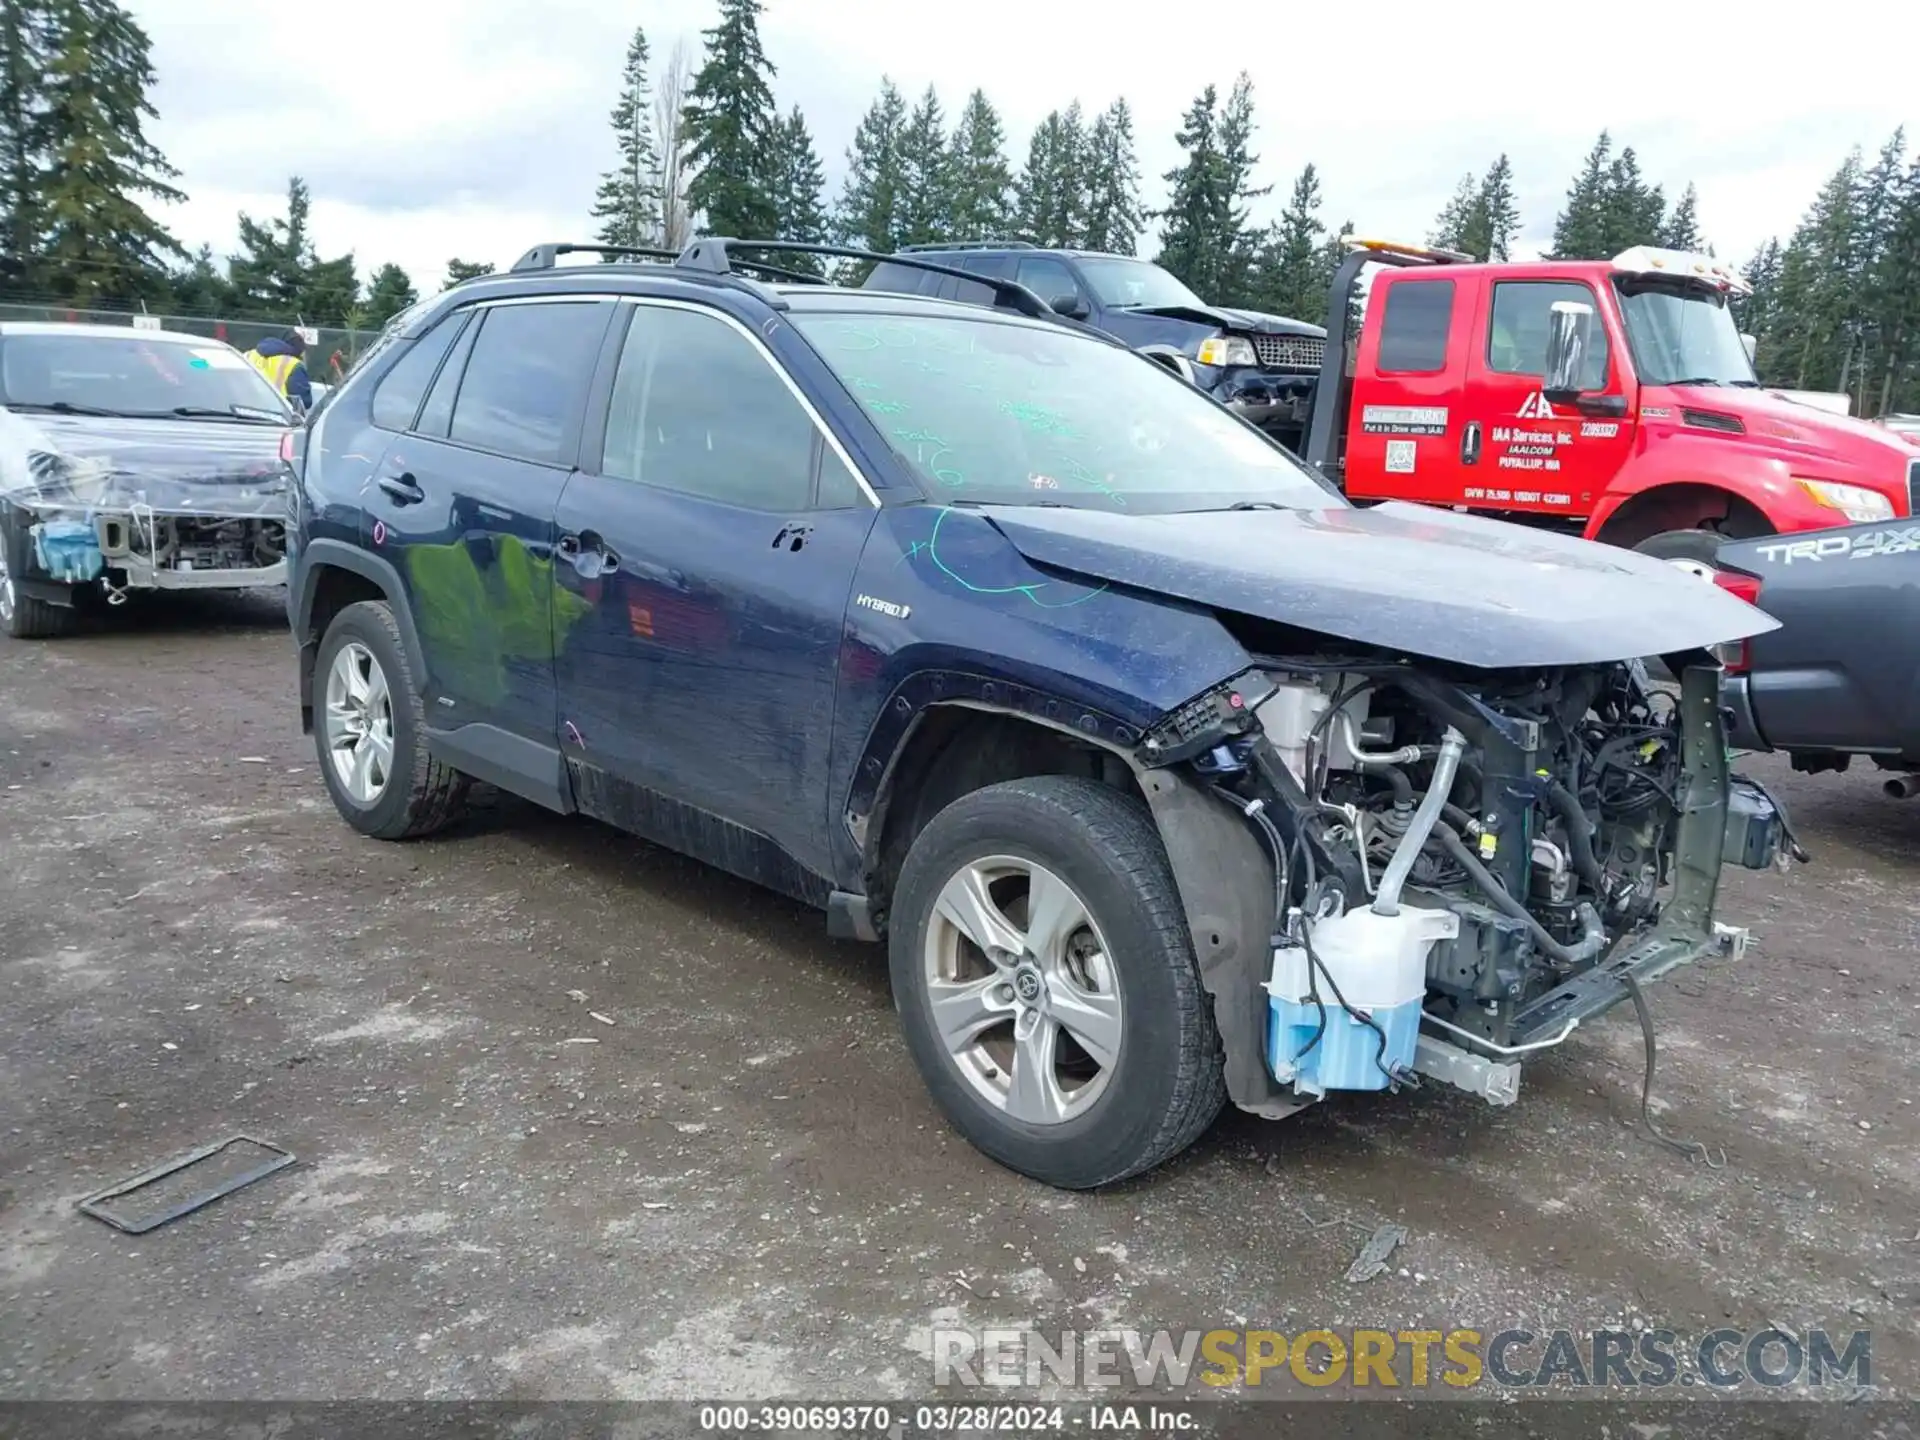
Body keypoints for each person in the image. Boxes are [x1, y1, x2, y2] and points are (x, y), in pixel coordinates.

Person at [242, 330, 314, 411]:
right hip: (280, 416)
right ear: (300, 351)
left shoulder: (250, 354)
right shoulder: (294, 364)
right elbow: (304, 401)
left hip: (243, 411)